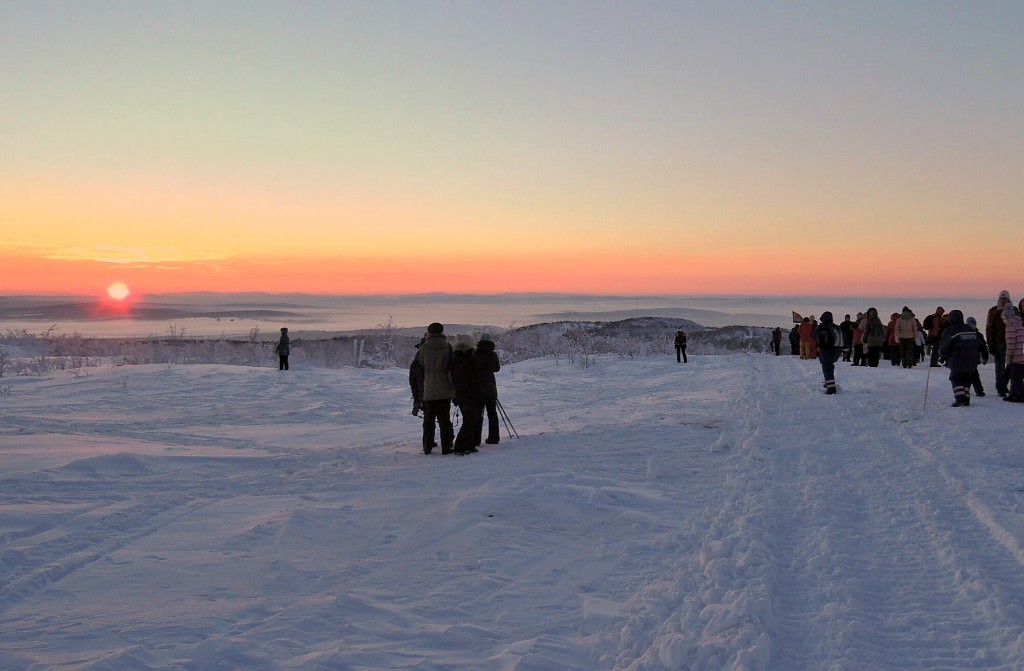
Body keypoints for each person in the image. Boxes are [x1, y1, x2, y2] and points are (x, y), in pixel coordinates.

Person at [415, 322, 455, 454]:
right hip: (445, 388)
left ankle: (427, 446)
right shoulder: (447, 347)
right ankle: (446, 446)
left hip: (429, 389)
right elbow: (452, 366)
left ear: (429, 332)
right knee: (445, 420)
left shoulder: (424, 348)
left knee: (429, 420)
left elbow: (420, 366)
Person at [938, 310, 986, 407]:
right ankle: (966, 398)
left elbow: (944, 346)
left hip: (957, 359)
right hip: (972, 359)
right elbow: (979, 343)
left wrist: (943, 355)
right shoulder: (969, 329)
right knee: (966, 378)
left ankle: (960, 399)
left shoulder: (950, 330)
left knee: (956, 378)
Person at [450, 334, 481, 454]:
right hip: (470, 392)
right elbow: (474, 377)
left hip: (459, 393)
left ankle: (469, 444)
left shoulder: (454, 358)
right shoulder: (471, 358)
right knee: (471, 420)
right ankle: (460, 446)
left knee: (469, 419)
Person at [474, 333, 502, 445]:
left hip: (478, 387)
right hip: (490, 388)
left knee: (478, 414)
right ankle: (494, 438)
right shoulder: (493, 355)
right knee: (492, 414)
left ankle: (476, 439)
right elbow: (497, 368)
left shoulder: (475, 353)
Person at [986, 290, 1013, 397]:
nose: (1003, 300)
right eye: (1002, 298)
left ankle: (1004, 384)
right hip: (999, 343)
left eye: (1005, 298)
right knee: (1000, 367)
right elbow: (989, 328)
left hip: (1011, 342)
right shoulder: (993, 311)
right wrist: (990, 343)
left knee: (1011, 366)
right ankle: (1000, 388)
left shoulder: (1013, 310)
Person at [815, 311, 842, 394]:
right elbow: (843, 339)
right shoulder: (837, 327)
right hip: (836, 351)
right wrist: (846, 349)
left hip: (825, 350)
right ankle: (829, 383)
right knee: (830, 367)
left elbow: (815, 338)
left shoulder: (821, 328)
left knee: (827, 369)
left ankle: (831, 389)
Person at [1003, 302, 1024, 403]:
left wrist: (1008, 356)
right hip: (1021, 353)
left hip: (1016, 355)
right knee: (1014, 376)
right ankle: (1013, 394)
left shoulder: (1010, 325)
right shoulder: (1019, 323)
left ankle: (1020, 396)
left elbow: (1011, 342)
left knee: (1016, 377)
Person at [965, 317, 988, 397]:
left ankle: (977, 390)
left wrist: (985, 357)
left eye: (973, 324)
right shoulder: (968, 334)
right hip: (967, 358)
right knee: (971, 374)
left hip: (973, 358)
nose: (972, 326)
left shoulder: (978, 335)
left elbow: (983, 347)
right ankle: (976, 390)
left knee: (972, 374)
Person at [409, 335, 426, 416]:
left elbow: (413, 382)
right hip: (441, 396)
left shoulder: (416, 362)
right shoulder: (441, 359)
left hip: (423, 395)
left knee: (428, 419)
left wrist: (416, 399)